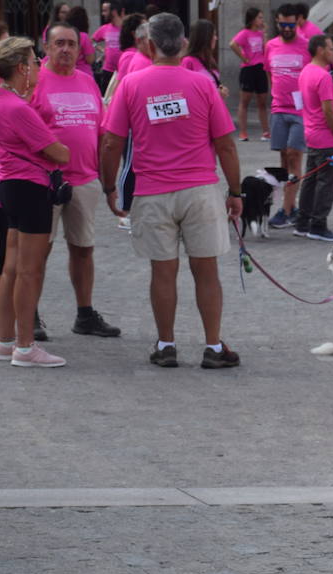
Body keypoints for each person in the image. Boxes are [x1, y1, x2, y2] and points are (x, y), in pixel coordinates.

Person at [99, 13, 241, 370]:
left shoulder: (131, 84)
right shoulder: (203, 84)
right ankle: (212, 346)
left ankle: (166, 345)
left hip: (151, 192)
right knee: (206, 271)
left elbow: (111, 142)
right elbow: (225, 144)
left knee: (162, 273)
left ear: (148, 44)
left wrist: (109, 186)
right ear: (182, 44)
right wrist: (235, 191)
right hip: (200, 190)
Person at [34, 23, 120, 339]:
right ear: (46, 47)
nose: (66, 49)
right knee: (37, 250)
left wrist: (107, 183)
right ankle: (29, 313)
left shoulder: (87, 82)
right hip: (45, 181)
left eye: (71, 44)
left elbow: (101, 133)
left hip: (85, 179)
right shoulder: (35, 81)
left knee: (83, 249)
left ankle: (85, 314)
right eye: (59, 43)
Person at [0, 36, 71, 367]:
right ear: (21, 68)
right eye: (35, 61)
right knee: (29, 270)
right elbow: (58, 152)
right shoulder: (18, 108)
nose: (40, 66)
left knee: (11, 267)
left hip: (10, 185)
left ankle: (5, 339)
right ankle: (26, 346)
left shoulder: (4, 100)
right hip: (30, 186)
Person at [293, 33, 333, 243]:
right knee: (325, 181)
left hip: (311, 133)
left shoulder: (306, 72)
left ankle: (303, 222)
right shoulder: (323, 76)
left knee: (311, 179)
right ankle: (318, 224)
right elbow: (328, 110)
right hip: (325, 137)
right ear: (320, 50)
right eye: (331, 48)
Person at [265, 6, 307, 228]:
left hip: (300, 111)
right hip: (279, 109)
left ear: (298, 22)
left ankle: (288, 209)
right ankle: (288, 206)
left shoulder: (307, 46)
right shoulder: (270, 46)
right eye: (283, 25)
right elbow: (269, 74)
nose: (287, 29)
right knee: (283, 159)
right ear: (277, 22)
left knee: (294, 156)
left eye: (291, 25)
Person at [231, 7, 270, 142]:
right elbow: (233, 44)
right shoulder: (245, 33)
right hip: (248, 69)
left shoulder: (260, 34)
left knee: (262, 101)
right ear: (253, 19)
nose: (262, 20)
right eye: (259, 17)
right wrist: (244, 58)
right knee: (245, 101)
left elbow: (266, 50)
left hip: (261, 68)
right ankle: (243, 132)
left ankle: (266, 132)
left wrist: (264, 34)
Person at [93, 2, 124, 92]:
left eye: (105, 11)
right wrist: (102, 50)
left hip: (123, 71)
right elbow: (91, 41)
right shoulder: (104, 28)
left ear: (113, 12)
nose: (103, 14)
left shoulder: (126, 28)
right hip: (108, 71)